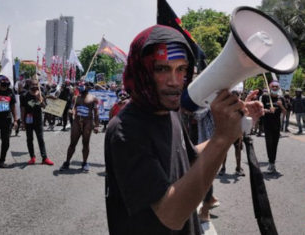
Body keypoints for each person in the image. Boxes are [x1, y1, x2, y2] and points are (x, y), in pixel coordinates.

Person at [104, 25, 264, 234]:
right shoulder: (126, 130)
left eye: (181, 69)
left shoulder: (169, 112)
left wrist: (237, 126)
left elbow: (191, 158)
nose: (174, 81)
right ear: (141, 71)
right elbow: (170, 216)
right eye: (162, 69)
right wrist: (222, 139)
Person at [60, 81, 99, 172]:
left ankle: (84, 162)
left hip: (88, 123)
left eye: (84, 85)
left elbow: (96, 113)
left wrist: (96, 126)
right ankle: (67, 162)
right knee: (72, 143)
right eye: (80, 85)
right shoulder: (76, 98)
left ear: (88, 87)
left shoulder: (93, 99)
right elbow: (72, 108)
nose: (81, 87)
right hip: (77, 122)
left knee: (86, 143)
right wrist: (70, 112)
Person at [20, 78, 54, 166]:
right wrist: (23, 123)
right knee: (29, 139)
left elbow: (44, 107)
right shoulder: (24, 96)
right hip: (28, 122)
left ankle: (44, 158)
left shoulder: (41, 94)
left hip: (38, 121)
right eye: (33, 85)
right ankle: (32, 157)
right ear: (30, 85)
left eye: (36, 85)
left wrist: (40, 99)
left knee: (41, 139)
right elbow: (22, 110)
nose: (35, 86)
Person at [261, 81, 286, 174]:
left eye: (276, 87)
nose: (275, 88)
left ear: (279, 88)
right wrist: (268, 110)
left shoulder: (281, 98)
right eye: (273, 86)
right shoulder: (265, 97)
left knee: (275, 144)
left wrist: (280, 105)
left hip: (277, 125)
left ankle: (272, 163)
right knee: (269, 143)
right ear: (270, 87)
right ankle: (270, 163)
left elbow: (284, 112)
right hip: (267, 125)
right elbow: (260, 110)